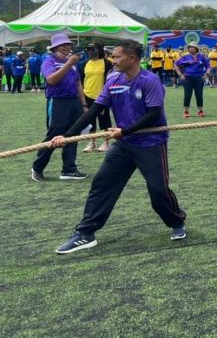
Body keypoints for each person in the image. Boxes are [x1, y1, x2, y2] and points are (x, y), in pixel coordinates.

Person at [53, 40, 187, 254]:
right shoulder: (113, 80)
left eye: (116, 57)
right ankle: (85, 233)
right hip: (124, 145)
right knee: (102, 184)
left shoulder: (150, 81)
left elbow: (153, 115)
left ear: (131, 58)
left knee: (158, 190)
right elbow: (95, 109)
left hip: (150, 143)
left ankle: (177, 221)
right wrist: (68, 135)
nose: (112, 60)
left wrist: (124, 131)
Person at [30, 33, 88, 181]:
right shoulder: (49, 61)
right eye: (63, 45)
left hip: (74, 101)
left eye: (68, 45)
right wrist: (69, 64)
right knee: (53, 135)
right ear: (55, 48)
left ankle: (69, 169)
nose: (67, 47)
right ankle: (37, 167)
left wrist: (84, 104)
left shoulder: (73, 62)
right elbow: (51, 80)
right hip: (58, 101)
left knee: (73, 134)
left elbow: (78, 83)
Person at [79, 42, 114, 153]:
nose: (89, 51)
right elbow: (81, 79)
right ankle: (92, 142)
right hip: (87, 94)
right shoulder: (85, 63)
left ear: (99, 50)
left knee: (104, 119)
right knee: (90, 120)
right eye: (88, 49)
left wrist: (106, 94)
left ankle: (106, 142)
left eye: (92, 49)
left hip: (102, 95)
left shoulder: (107, 63)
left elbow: (109, 80)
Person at [175, 42, 210, 118]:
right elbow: (176, 64)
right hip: (187, 78)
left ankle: (200, 111)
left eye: (193, 47)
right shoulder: (185, 57)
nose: (191, 48)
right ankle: (186, 111)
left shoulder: (201, 57)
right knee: (187, 94)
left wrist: (206, 74)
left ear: (196, 48)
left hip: (199, 78)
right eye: (189, 47)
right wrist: (180, 74)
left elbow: (208, 65)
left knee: (199, 94)